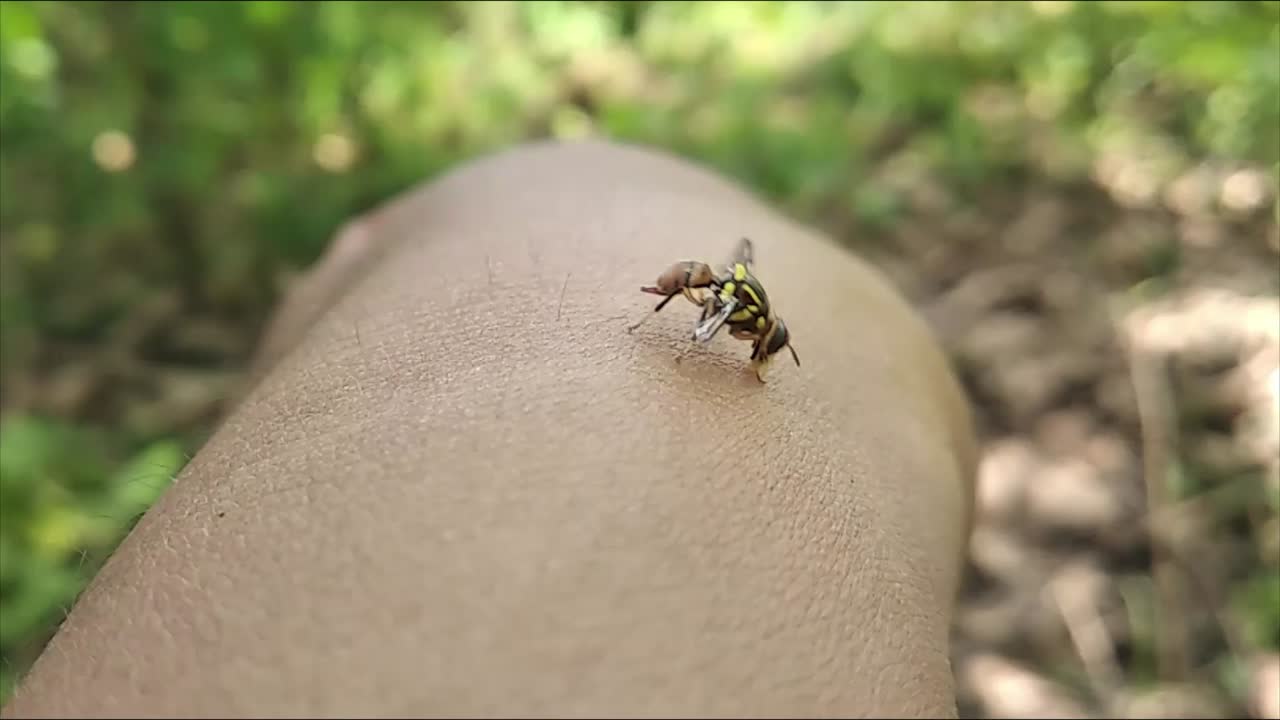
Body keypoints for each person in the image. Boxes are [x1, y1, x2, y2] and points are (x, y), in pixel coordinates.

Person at [1, 140, 978, 719]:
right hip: (650, 268)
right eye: (752, 333)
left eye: (744, 328)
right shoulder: (729, 311)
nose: (750, 338)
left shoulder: (738, 303)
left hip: (504, 214)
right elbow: (716, 311)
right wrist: (677, 333)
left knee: (471, 213)